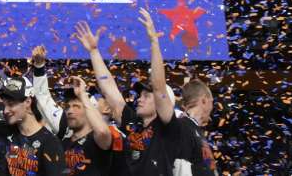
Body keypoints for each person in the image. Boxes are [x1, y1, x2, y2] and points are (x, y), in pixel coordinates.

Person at [74, 12, 191, 176]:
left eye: (146, 96)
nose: (140, 99)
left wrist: (154, 42)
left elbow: (158, 87)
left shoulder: (167, 128)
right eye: (140, 95)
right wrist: (94, 51)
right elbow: (109, 89)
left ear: (162, 103)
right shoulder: (132, 123)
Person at [59, 78, 122, 176]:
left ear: (88, 112)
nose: (69, 111)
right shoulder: (63, 144)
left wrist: (82, 95)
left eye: (76, 106)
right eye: (67, 107)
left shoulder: (97, 139)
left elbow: (102, 131)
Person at [176, 81, 217, 176]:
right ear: (204, 101)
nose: (212, 107)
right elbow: (180, 167)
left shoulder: (194, 129)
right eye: (212, 102)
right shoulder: (183, 127)